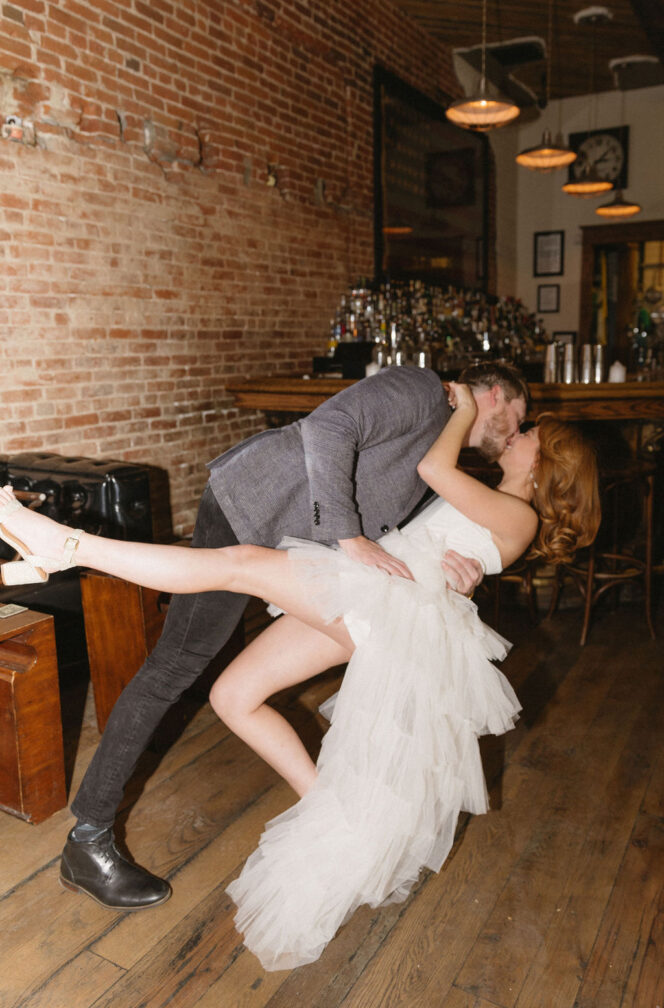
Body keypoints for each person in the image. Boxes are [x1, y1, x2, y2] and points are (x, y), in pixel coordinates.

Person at [0, 384, 600, 970]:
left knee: (240, 567)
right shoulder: (484, 484)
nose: (514, 435)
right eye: (518, 422)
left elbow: (433, 470)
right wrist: (459, 571)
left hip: (389, 607)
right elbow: (421, 513)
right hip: (381, 595)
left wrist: (464, 409)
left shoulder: (515, 511)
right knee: (232, 695)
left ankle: (68, 546)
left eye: (527, 434)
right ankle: (333, 813)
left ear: (546, 462)